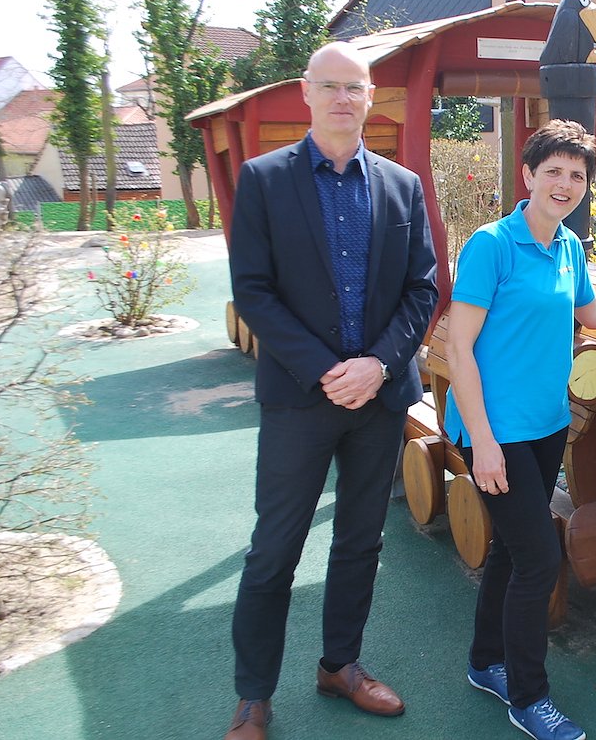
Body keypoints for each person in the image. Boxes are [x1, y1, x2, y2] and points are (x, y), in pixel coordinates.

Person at [224, 42, 439, 740]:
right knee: (274, 551)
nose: (343, 98)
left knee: (359, 542)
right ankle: (253, 697)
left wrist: (377, 365)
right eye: (330, 86)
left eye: (355, 86)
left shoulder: (402, 186)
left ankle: (340, 665)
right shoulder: (264, 180)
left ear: (371, 96)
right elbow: (254, 291)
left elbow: (423, 289)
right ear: (307, 93)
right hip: (299, 397)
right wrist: (327, 369)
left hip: (378, 398)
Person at [446, 119, 596, 740]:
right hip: (494, 432)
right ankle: (528, 696)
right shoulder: (491, 245)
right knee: (540, 558)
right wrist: (483, 443)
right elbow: (459, 347)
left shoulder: (568, 246)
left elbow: (591, 313)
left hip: (546, 427)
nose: (565, 184)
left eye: (577, 175)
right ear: (527, 175)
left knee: (511, 548)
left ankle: (484, 661)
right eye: (553, 171)